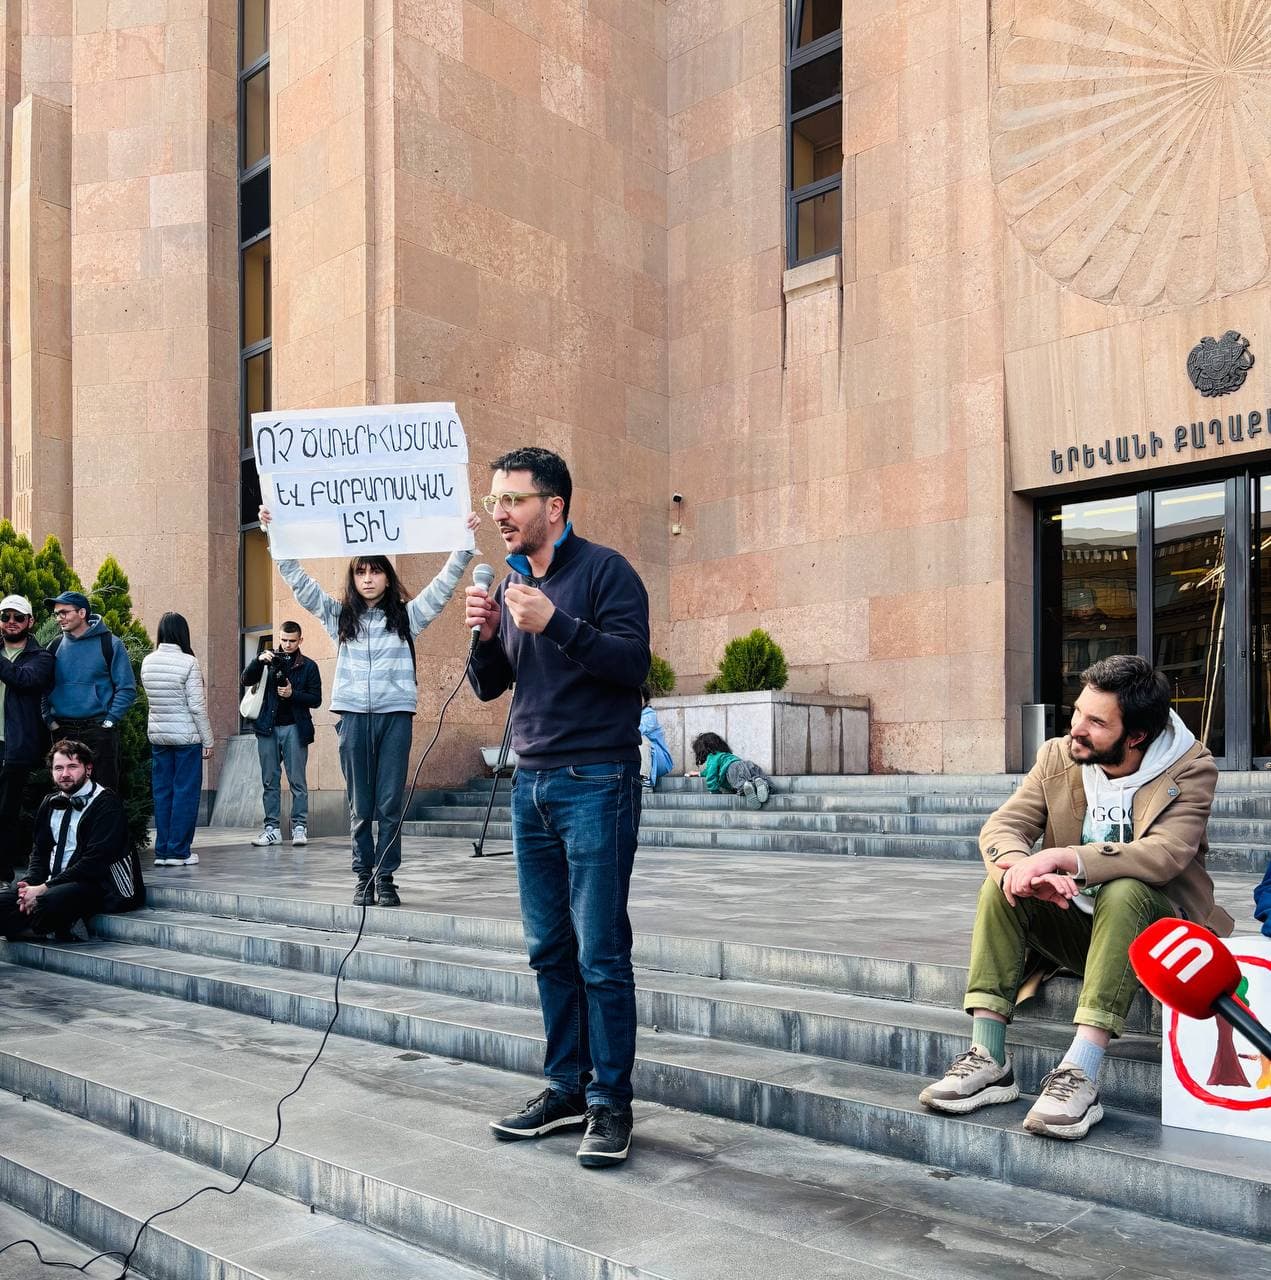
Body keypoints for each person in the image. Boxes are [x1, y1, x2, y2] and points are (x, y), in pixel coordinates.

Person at [919, 654, 1232, 1140]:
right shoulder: (1058, 756)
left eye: (1096, 722)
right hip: (1079, 930)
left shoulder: (1191, 768)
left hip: (1158, 937)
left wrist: (1066, 859)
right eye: (1077, 712)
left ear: (1135, 736)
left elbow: (1165, 854)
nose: (1076, 729)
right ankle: (988, 1059)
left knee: (1126, 888)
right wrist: (1019, 868)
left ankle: (1080, 1072)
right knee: (1002, 885)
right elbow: (1006, 825)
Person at [465, 447, 650, 1169]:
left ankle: (610, 1103)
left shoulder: (605, 573)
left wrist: (558, 624)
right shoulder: (511, 584)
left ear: (554, 507)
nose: (500, 514)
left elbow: (633, 667)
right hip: (530, 783)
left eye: (512, 500)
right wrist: (486, 638)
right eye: (494, 502)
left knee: (600, 953)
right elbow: (490, 688)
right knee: (548, 949)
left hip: (596, 780)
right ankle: (564, 1089)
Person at [259, 505, 479, 906]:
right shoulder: (339, 617)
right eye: (360, 571)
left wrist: (463, 547)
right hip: (354, 719)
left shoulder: (406, 619)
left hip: (395, 718)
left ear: (387, 576)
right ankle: (363, 875)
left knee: (391, 802)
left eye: (375, 570)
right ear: (353, 577)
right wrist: (275, 535)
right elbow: (300, 583)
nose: (368, 578)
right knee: (361, 804)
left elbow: (442, 588)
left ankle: (387, 878)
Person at [0, 739, 144, 940]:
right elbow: (40, 852)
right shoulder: (49, 802)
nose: (65, 774)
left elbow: (95, 862)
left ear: (88, 769)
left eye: (72, 767)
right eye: (58, 768)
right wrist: (27, 886)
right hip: (53, 883)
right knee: (5, 900)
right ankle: (48, 929)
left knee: (50, 902)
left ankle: (38, 927)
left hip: (97, 884)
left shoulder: (106, 804)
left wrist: (43, 889)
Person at [42, 590, 136, 793]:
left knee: (104, 793)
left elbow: (127, 689)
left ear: (82, 613)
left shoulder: (110, 644)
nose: (59, 618)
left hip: (98, 729)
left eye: (65, 612)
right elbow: (42, 687)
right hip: (63, 730)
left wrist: (109, 722)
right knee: (65, 792)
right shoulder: (55, 645)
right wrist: (50, 721)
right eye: (57, 613)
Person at [140, 612, 214, 867]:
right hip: (186, 738)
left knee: (162, 793)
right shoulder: (189, 663)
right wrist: (208, 740)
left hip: (159, 736)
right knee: (185, 793)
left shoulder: (148, 662)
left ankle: (162, 851)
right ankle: (179, 851)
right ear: (183, 633)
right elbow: (196, 706)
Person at [240, 620, 321, 849]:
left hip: (295, 727)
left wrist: (293, 694)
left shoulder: (309, 666)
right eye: (284, 640)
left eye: (292, 641)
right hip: (267, 727)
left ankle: (299, 827)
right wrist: (257, 661)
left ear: (300, 640)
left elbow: (316, 699)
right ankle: (272, 829)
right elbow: (246, 680)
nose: (287, 645)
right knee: (270, 781)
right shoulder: (267, 660)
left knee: (297, 781)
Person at [0, 594, 55, 884]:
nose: (11, 622)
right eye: (5, 616)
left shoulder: (41, 657)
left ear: (30, 621)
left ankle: (3, 873)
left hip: (15, 746)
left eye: (17, 617)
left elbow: (24, 680)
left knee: (6, 813)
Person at [687, 731, 773, 808]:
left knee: (740, 784)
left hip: (732, 769)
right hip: (748, 765)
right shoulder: (726, 755)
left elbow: (711, 774)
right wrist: (699, 773)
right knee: (759, 777)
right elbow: (708, 771)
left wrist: (714, 790)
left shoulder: (712, 757)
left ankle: (746, 788)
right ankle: (761, 783)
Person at [638, 684, 672, 790]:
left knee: (639, 738)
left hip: (659, 760)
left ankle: (645, 779)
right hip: (641, 759)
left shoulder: (650, 714)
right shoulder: (629, 714)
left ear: (646, 700)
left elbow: (638, 729)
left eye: (639, 697)